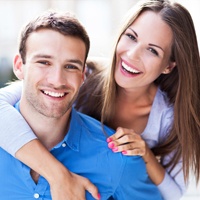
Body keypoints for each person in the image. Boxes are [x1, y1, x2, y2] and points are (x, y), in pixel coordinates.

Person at [0, 0, 200, 199]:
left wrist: (145, 153)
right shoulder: (86, 73)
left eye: (153, 50)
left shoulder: (170, 119)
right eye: (131, 37)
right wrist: (58, 176)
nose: (132, 55)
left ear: (169, 66)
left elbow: (171, 194)